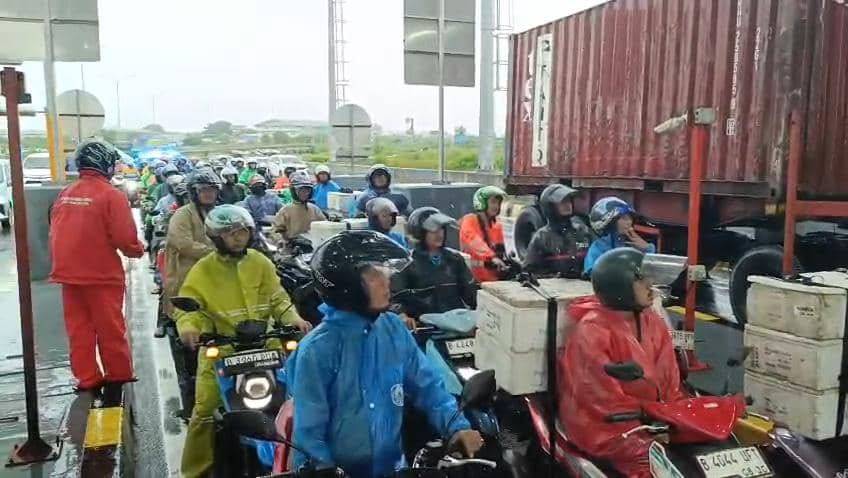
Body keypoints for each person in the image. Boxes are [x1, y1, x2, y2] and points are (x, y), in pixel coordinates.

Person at [287, 230, 483, 478]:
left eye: (385, 272)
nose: (386, 281)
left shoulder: (392, 329)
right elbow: (308, 432)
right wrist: (322, 469)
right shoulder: (316, 350)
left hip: (393, 468)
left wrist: (457, 426)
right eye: (374, 276)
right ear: (346, 286)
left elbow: (428, 386)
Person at [175, 205, 312, 478]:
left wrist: (294, 318)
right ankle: (195, 472)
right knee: (203, 412)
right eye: (229, 233)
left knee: (293, 403)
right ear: (216, 237)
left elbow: (278, 298)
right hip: (222, 351)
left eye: (241, 232)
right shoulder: (203, 270)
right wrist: (189, 327)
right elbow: (188, 307)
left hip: (266, 348)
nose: (237, 237)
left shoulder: (260, 262)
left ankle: (296, 461)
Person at [558, 248, 685, 478]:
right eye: (641, 279)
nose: (650, 286)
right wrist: (648, 422)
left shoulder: (653, 321)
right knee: (650, 465)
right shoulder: (592, 329)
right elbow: (597, 396)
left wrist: (672, 418)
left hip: (649, 420)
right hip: (603, 424)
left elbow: (670, 377)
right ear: (619, 287)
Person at [49, 139, 145, 391]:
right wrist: (137, 251)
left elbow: (56, 231)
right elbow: (125, 239)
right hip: (101, 275)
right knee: (110, 328)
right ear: (105, 164)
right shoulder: (112, 196)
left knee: (79, 330)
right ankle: (118, 374)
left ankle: (87, 377)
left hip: (68, 275)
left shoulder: (66, 194)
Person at [391, 207, 476, 327]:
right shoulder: (405, 262)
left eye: (441, 229)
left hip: (455, 325)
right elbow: (394, 297)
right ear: (419, 232)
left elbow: (471, 293)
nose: (439, 234)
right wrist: (401, 315)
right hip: (423, 327)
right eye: (432, 230)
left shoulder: (455, 259)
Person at [163, 169, 221, 320]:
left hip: (218, 269)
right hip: (187, 273)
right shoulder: (182, 214)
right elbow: (184, 244)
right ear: (194, 193)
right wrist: (216, 252)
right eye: (204, 190)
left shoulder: (219, 213)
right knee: (187, 318)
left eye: (212, 189)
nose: (209, 193)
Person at [523, 184, 593, 278]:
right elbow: (529, 271)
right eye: (562, 202)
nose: (567, 205)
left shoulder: (583, 231)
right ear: (550, 206)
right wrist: (555, 276)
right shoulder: (542, 237)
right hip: (553, 290)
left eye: (569, 201)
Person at [584, 197, 656, 275]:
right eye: (624, 218)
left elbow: (651, 270)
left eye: (630, 218)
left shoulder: (633, 245)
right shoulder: (599, 246)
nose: (629, 222)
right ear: (611, 222)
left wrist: (648, 248)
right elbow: (592, 271)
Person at [459, 186, 509, 283]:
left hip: (493, 280)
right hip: (473, 279)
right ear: (482, 203)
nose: (497, 206)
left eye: (498, 203)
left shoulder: (496, 226)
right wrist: (492, 257)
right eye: (493, 202)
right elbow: (474, 241)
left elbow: (502, 248)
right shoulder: (470, 220)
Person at [272, 170, 325, 244]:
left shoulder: (315, 209)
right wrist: (284, 241)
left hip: (313, 246)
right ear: (294, 191)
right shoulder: (286, 210)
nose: (305, 193)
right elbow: (275, 231)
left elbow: (324, 227)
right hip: (292, 248)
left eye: (307, 191)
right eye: (301, 191)